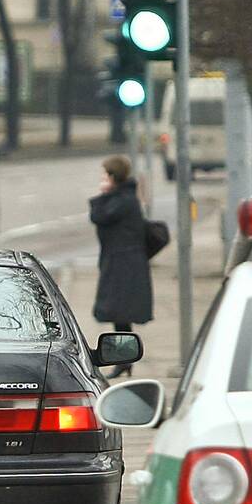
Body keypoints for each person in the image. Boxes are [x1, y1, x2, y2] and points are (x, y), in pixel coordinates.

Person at [88, 155, 152, 380]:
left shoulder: (123, 200)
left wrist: (102, 195)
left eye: (106, 174)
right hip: (121, 262)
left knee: (121, 313)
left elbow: (99, 216)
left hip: (125, 265)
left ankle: (124, 359)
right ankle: (124, 361)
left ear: (114, 176)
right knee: (119, 315)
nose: (102, 178)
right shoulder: (122, 197)